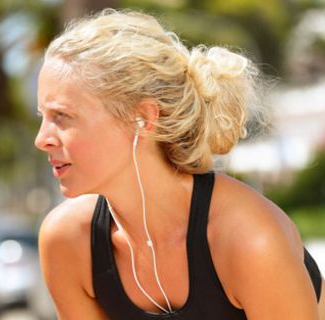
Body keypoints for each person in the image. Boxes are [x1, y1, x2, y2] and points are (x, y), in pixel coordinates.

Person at [34, 9, 324, 320]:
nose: (42, 139)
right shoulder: (67, 242)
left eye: (62, 117)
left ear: (143, 118)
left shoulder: (247, 237)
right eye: (43, 118)